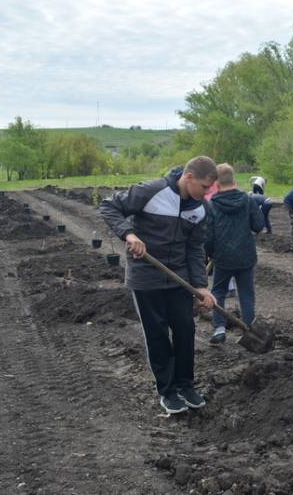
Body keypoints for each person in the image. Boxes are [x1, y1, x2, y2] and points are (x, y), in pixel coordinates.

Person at [99, 156, 218, 415]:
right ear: (188, 178)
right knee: (157, 335)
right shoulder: (152, 191)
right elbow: (108, 206)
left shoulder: (201, 209)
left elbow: (195, 248)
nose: (207, 193)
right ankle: (167, 391)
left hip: (180, 280)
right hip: (146, 277)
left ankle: (186, 385)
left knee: (186, 330)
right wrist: (129, 234)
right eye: (204, 187)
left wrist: (201, 286)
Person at [204, 164, 265, 344]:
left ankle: (220, 329)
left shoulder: (212, 204)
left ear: (216, 183)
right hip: (246, 255)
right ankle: (249, 331)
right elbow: (258, 225)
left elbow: (208, 235)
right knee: (246, 293)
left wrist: (210, 253)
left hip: (222, 258)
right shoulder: (248, 200)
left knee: (218, 292)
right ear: (234, 180)